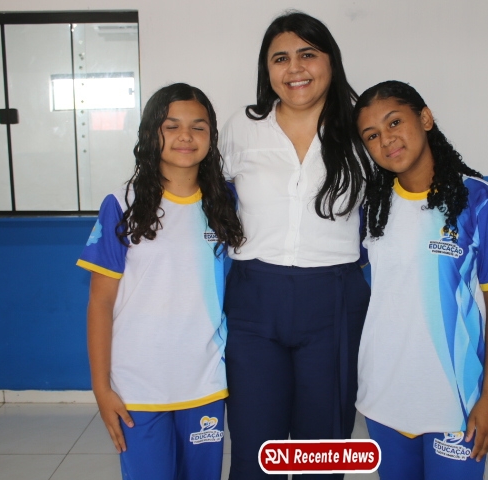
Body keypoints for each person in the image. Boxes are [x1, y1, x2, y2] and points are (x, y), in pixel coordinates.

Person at [219, 11, 371, 480]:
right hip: (254, 301)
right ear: (267, 69)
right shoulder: (243, 126)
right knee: (254, 446)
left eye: (308, 54)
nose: (295, 68)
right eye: (280, 58)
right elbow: (200, 190)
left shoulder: (360, 129)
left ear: (330, 61)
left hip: (334, 301)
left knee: (321, 449)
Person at [353, 80, 488, 479]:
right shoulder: (372, 205)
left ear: (426, 118)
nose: (386, 139)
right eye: (372, 135)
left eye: (394, 122)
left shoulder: (479, 199)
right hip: (384, 392)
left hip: (455, 399)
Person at [77, 83, 243, 480]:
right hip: (137, 385)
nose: (186, 136)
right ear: (152, 133)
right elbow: (100, 303)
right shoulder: (122, 203)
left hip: (204, 380)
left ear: (211, 136)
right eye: (172, 126)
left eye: (198, 127)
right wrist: (102, 389)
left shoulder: (226, 201)